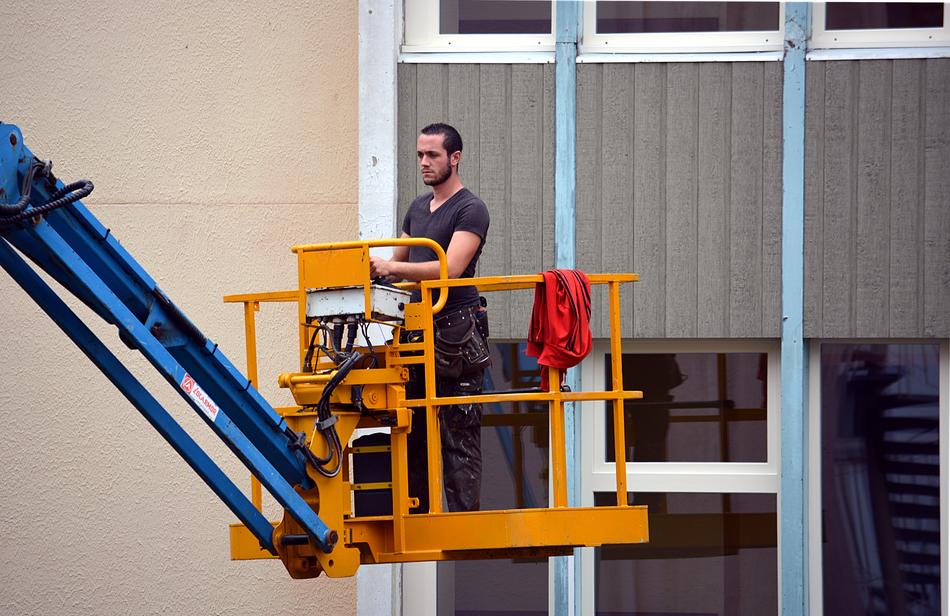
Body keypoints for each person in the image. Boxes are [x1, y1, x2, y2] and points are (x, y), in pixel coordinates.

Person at [369, 123, 490, 513]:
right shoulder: (417, 208)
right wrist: (374, 269)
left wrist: (390, 267)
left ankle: (463, 517)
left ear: (454, 158)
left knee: (458, 424)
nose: (424, 162)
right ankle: (414, 509)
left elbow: (450, 269)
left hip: (457, 329)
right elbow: (397, 262)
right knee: (412, 422)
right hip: (417, 327)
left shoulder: (471, 208)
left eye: (433, 155)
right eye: (420, 154)